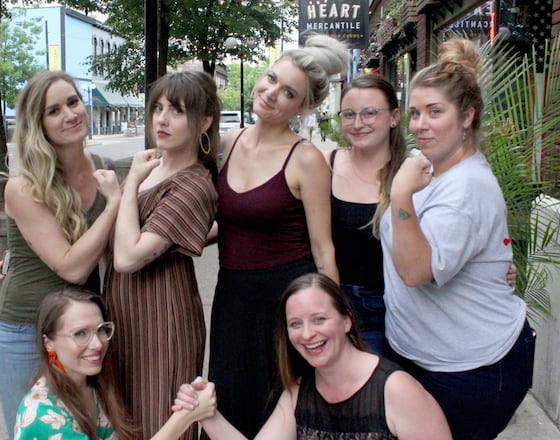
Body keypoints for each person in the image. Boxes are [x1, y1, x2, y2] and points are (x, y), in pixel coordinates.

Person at [380, 38, 535, 439]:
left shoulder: (465, 186)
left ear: (466, 116)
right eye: (415, 113)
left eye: (435, 112)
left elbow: (415, 270)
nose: (419, 125)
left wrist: (400, 196)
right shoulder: (431, 170)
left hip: (468, 367)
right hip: (426, 353)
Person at [207, 34, 346, 438]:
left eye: (288, 93)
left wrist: (334, 325)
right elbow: (232, 222)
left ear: (305, 107)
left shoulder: (306, 159)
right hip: (231, 299)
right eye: (271, 79)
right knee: (228, 402)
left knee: (282, 411)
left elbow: (323, 250)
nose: (270, 93)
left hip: (284, 304)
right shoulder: (231, 142)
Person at [0, 70, 122, 439]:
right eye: (54, 111)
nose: (70, 114)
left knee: (86, 429)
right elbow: (73, 267)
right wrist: (115, 204)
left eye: (73, 102)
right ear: (39, 125)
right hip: (27, 329)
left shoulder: (100, 167)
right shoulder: (23, 186)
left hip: (82, 328)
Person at [175, 273, 452, 440]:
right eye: (295, 324)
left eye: (319, 319)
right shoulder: (298, 391)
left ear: (347, 321)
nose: (307, 334)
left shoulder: (395, 389)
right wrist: (206, 415)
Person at [103, 70, 220, 440]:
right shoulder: (155, 166)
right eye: (158, 107)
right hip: (124, 311)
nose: (162, 119)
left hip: (162, 317)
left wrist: (131, 182)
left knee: (161, 415)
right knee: (126, 418)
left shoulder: (193, 183)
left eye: (178, 110)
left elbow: (127, 256)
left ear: (204, 122)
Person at [16, 287, 216, 439]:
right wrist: (185, 417)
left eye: (101, 329)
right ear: (48, 343)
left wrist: (189, 401)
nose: (97, 344)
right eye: (80, 333)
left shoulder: (93, 385)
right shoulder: (42, 414)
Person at [326, 74, 406, 354]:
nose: (358, 123)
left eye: (370, 113)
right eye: (349, 114)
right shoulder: (328, 164)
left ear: (394, 117)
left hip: (401, 307)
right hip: (339, 302)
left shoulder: (414, 172)